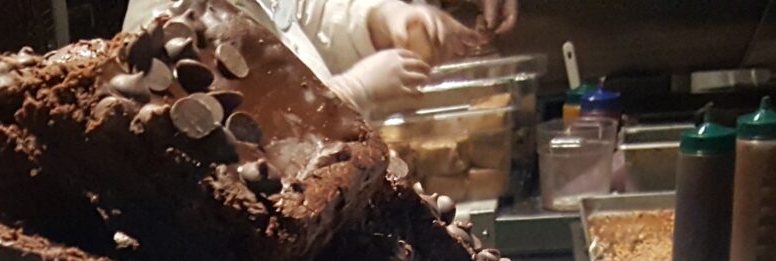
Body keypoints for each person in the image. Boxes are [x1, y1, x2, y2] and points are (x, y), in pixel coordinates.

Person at [120, 0, 495, 113]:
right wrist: (352, 91)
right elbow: (248, 142)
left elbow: (303, 13)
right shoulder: (170, 21)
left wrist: (380, 18)